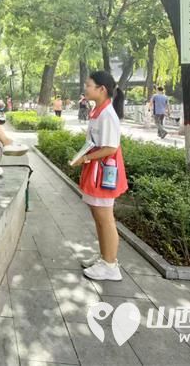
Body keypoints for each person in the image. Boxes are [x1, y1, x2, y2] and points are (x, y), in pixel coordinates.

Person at [70, 70, 127, 281]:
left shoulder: (107, 115)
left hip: (104, 172)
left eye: (88, 85)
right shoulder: (98, 111)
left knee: (105, 218)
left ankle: (110, 265)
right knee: (99, 216)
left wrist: (85, 158)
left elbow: (111, 148)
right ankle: (105, 257)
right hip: (97, 168)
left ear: (101, 89)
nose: (85, 89)